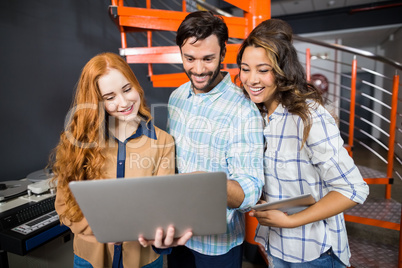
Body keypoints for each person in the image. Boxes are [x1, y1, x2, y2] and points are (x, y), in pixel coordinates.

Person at [237, 19, 369, 267]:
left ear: (282, 70)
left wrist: (290, 221)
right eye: (245, 68)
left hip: (315, 253)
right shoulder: (258, 115)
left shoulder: (308, 117)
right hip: (276, 246)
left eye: (263, 70)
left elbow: (353, 189)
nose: (251, 79)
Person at [51, 52, 191, 268]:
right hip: (89, 259)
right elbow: (63, 206)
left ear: (136, 85)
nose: (124, 102)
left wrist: (162, 234)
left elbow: (163, 208)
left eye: (127, 89)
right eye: (110, 97)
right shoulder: (78, 142)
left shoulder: (164, 141)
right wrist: (99, 229)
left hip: (144, 261)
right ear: (97, 101)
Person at [166, 11, 265, 268]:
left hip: (217, 245)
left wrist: (207, 185)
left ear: (223, 54)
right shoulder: (176, 97)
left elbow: (251, 189)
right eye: (190, 58)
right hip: (177, 233)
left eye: (208, 59)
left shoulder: (243, 109)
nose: (198, 69)